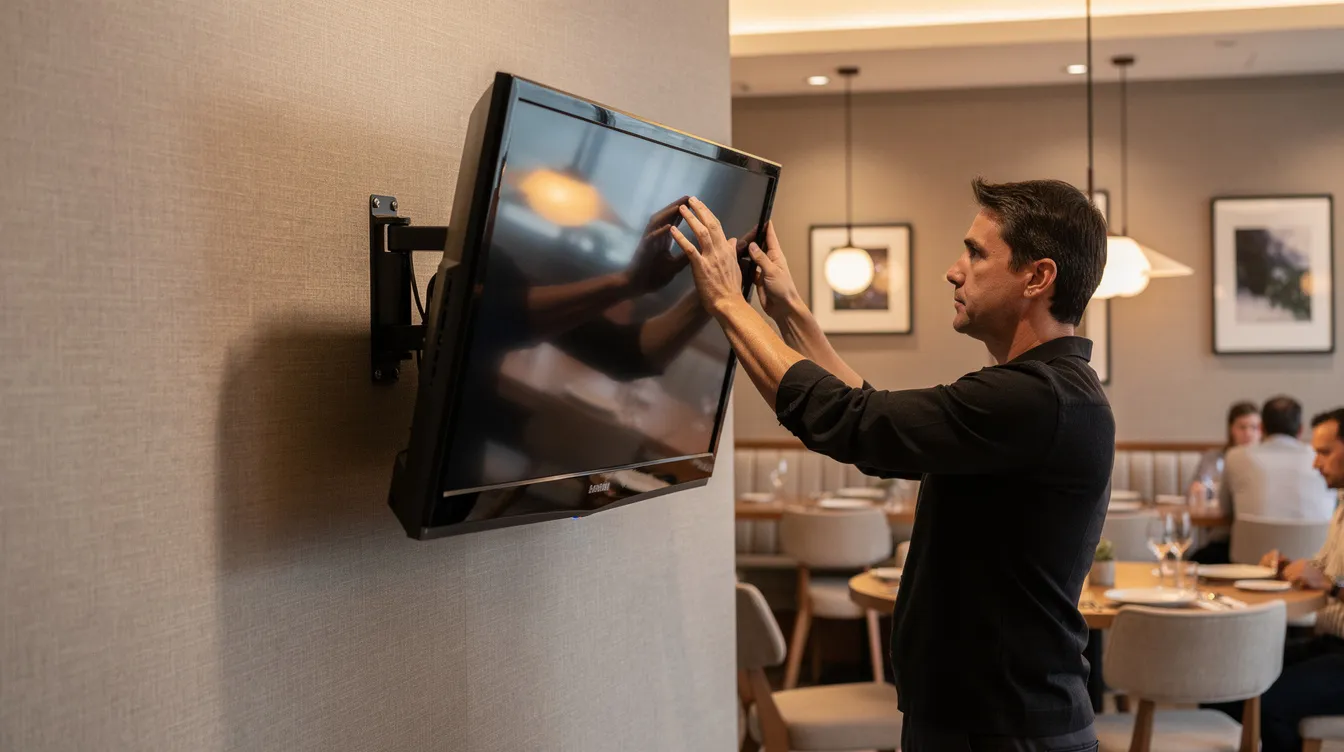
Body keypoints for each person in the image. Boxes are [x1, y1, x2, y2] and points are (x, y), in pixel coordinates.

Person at [669, 179, 1112, 750]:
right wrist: (791, 313)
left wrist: (729, 302)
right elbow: (873, 415)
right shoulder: (1045, 393)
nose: (955, 270)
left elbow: (853, 422)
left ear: (1037, 277)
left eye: (976, 253)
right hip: (988, 719)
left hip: (1004, 729)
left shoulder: (1035, 398)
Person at [1227, 407, 1344, 752]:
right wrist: (1292, 568)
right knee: (1232, 679)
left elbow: (1333, 582)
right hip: (1331, 642)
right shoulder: (1340, 504)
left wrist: (1332, 586)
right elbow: (1327, 570)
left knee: (1271, 702)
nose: (1314, 464)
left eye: (1324, 452)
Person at [1219, 396, 1336, 522]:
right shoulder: (1322, 457)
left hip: (1252, 540)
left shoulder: (1235, 456)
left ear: (1261, 428)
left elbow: (1225, 509)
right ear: (1300, 430)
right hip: (1318, 541)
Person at [1187, 401, 1261, 564]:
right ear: (1231, 429)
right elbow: (1196, 492)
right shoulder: (1213, 459)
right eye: (1242, 427)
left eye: (1254, 427)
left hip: (1257, 541)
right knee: (1193, 562)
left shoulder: (1265, 465)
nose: (1248, 433)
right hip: (1222, 538)